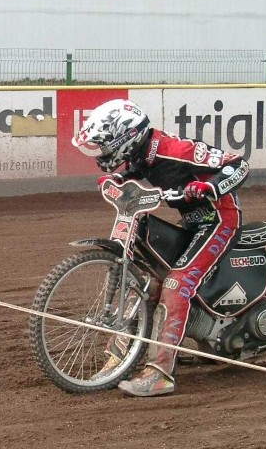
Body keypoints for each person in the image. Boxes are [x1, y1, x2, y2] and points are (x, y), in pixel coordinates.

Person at [72, 99, 249, 397]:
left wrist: (210, 187)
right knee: (144, 281)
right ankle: (117, 359)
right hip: (192, 224)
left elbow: (238, 164)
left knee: (176, 284)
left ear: (125, 137)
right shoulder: (143, 154)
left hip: (219, 219)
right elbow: (134, 172)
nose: (101, 153)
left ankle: (161, 373)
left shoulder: (175, 150)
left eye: (104, 145)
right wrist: (116, 178)